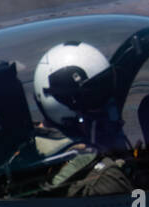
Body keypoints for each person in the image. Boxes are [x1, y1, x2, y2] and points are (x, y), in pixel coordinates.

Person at [14, 40, 133, 197]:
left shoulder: (27, 144)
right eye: (97, 96)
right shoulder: (104, 183)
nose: (107, 106)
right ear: (64, 103)